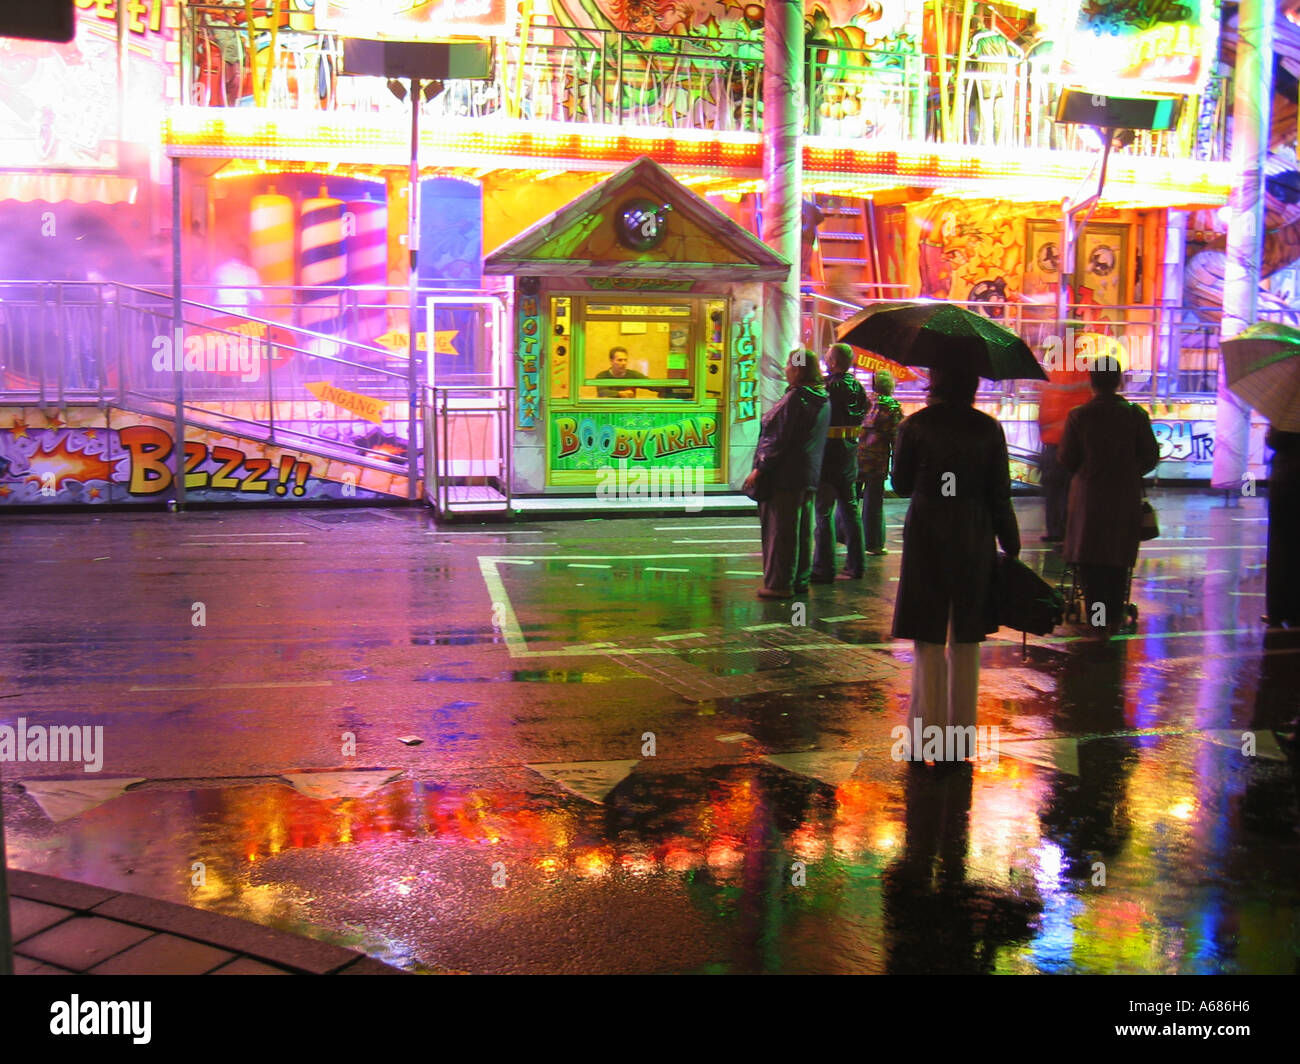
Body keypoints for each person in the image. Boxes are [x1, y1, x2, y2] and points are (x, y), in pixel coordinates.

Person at [891, 365, 1020, 757]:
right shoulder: (988, 428)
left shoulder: (914, 426)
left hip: (928, 530)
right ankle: (959, 740)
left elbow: (900, 484)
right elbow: (1000, 491)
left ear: (935, 384)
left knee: (928, 634)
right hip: (973, 532)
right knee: (966, 634)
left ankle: (925, 737)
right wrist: (1009, 541)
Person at [1059, 358, 1160, 637]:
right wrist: (1128, 471)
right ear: (1119, 381)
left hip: (1088, 499)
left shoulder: (1079, 416)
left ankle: (1097, 619)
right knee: (1117, 562)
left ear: (1092, 380)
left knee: (1091, 563)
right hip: (1123, 498)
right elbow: (1150, 456)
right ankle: (1112, 618)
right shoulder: (1135, 415)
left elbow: (1067, 458)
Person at [743, 349, 831, 599]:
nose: (785, 369)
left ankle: (779, 583)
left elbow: (777, 439)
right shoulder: (822, 397)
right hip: (807, 475)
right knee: (801, 531)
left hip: (785, 477)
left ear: (798, 369)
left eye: (789, 366)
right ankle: (799, 579)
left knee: (780, 532)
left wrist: (759, 470)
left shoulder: (796, 399)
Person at [811, 343, 868, 582]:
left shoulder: (828, 387)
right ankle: (856, 565)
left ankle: (824, 568)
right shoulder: (858, 386)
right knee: (851, 510)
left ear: (833, 362)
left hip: (828, 455)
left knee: (824, 513)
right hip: (849, 454)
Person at [1037, 361, 1092, 541]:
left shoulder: (1052, 373)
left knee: (1053, 491)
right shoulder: (1085, 370)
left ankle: (1055, 531)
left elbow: (1044, 412)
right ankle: (1070, 531)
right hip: (1075, 444)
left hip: (1052, 442)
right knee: (1072, 491)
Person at [858, 368, 904, 556]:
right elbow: (896, 438)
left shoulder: (864, 402)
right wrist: (896, 466)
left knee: (849, 500)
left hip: (857, 457)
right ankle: (874, 543)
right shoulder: (892, 407)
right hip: (877, 461)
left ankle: (845, 534)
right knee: (873, 502)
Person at [1264, 424, 1300, 627]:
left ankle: (1278, 610)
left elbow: (1276, 441)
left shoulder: (1289, 413)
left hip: (1287, 482)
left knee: (1281, 548)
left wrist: (1272, 430)